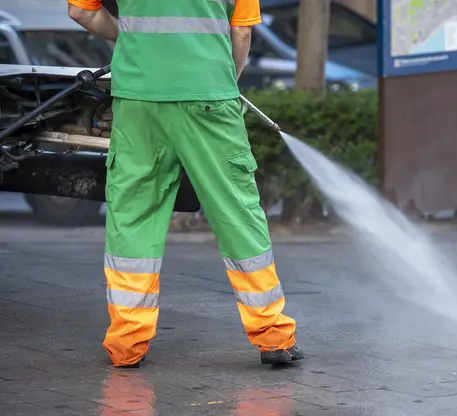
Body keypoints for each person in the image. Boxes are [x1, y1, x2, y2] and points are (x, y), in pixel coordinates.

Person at [67, 0, 302, 368]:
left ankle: (127, 343)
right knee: (236, 212)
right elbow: (241, 31)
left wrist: (130, 34)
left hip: (138, 99)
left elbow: (81, 12)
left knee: (133, 215)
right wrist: (226, 81)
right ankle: (272, 336)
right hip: (209, 96)